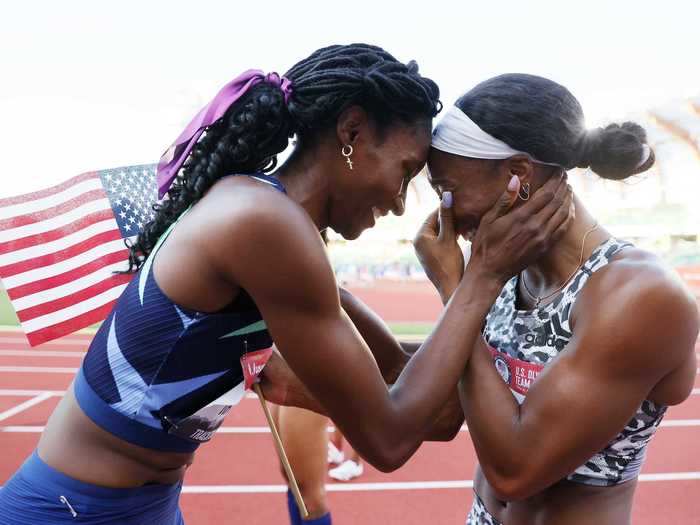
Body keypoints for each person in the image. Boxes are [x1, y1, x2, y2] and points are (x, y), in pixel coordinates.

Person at [0, 44, 570, 524]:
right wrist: (480, 277)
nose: (399, 203)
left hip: (136, 503)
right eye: (402, 172)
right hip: (72, 508)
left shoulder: (275, 223)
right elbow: (390, 439)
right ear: (351, 132)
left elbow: (408, 378)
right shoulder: (264, 225)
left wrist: (512, 340)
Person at [412, 73, 699, 524]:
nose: (443, 210)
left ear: (518, 176)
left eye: (447, 188)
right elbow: (444, 400)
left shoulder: (638, 295)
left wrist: (457, 289)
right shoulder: (507, 271)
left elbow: (515, 471)